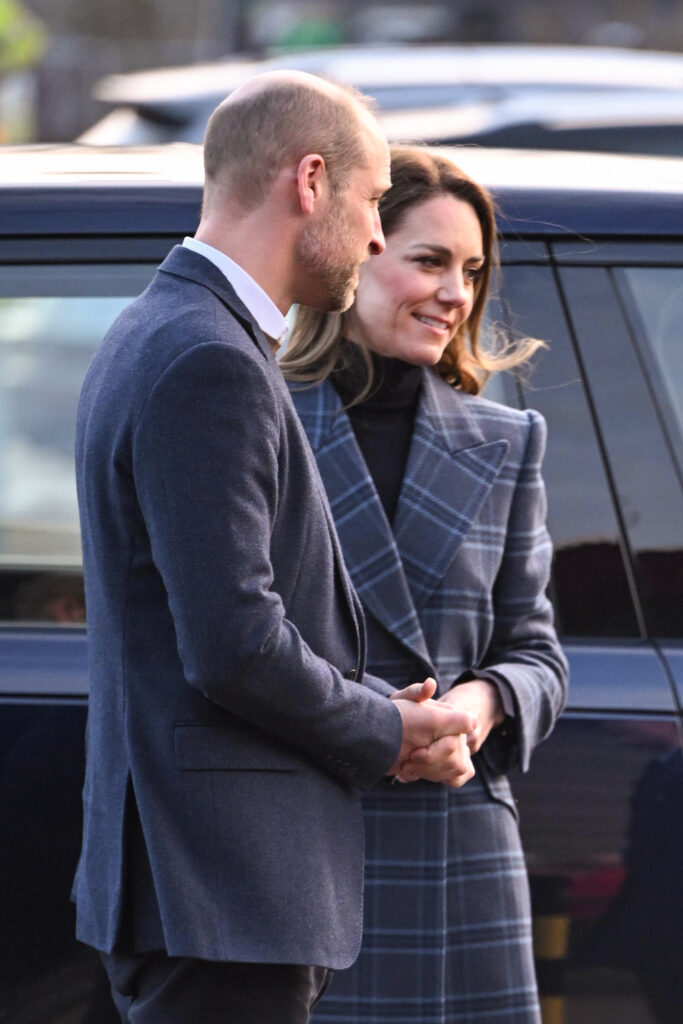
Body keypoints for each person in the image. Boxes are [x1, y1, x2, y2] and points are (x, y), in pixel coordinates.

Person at [73, 75, 480, 1024]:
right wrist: (386, 731)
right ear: (310, 181)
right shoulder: (207, 356)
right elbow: (235, 643)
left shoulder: (168, 328)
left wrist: (375, 707)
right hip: (218, 888)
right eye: (371, 200)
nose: (375, 236)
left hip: (209, 887)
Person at [283, 144, 569, 1024]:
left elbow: (536, 655)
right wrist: (388, 726)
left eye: (471, 271)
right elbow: (233, 641)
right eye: (430, 261)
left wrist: (476, 710)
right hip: (302, 846)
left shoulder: (506, 439)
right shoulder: (259, 417)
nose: (457, 294)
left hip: (457, 852)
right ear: (356, 250)